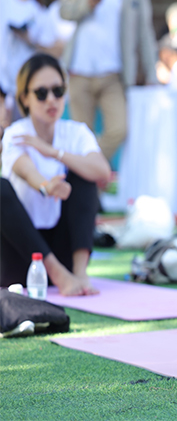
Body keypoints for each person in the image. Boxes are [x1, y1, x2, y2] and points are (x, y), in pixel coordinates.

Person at [0, 53, 111, 293]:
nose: (51, 99)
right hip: (23, 253)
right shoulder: (16, 133)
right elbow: (24, 167)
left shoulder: (76, 132)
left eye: (58, 91)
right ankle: (58, 275)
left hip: (62, 247)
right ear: (25, 98)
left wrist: (53, 152)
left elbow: (102, 171)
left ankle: (80, 273)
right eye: (41, 93)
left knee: (85, 175)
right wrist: (46, 185)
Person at [60, 0, 158, 161]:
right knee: (81, 136)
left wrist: (152, 74)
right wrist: (85, 5)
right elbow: (64, 11)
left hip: (113, 75)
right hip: (79, 72)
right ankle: (88, 180)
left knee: (119, 129)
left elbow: (145, 34)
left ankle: (89, 167)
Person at [0, 0, 55, 119]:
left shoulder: (39, 12)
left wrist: (29, 40)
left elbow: (51, 50)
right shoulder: (3, 0)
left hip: (24, 86)